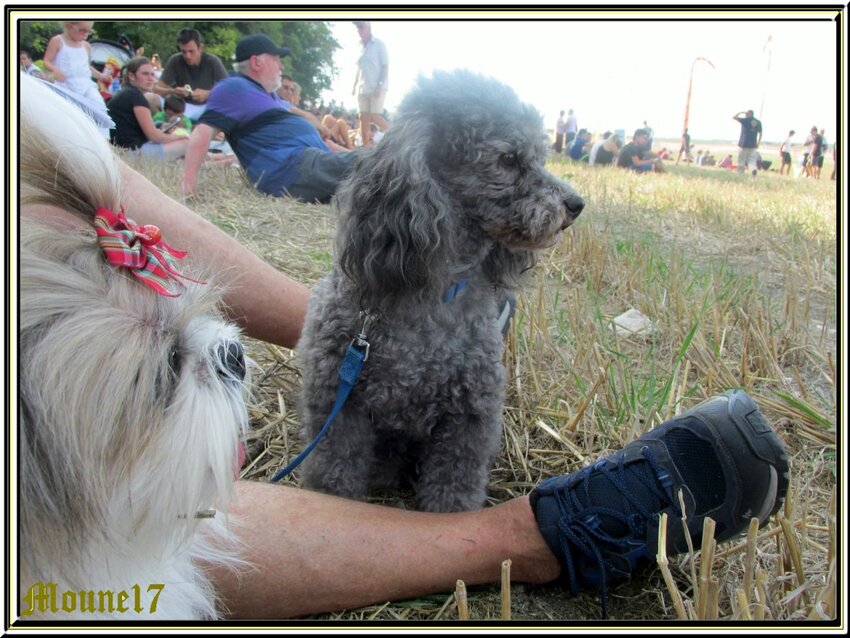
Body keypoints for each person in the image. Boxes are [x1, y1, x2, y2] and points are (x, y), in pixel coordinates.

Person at [21, 77, 790, 619]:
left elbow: (102, 198)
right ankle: (521, 537)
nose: (556, 192)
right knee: (335, 425)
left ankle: (355, 339)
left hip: (438, 326)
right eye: (513, 165)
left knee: (446, 393)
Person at [181, 34, 356, 203]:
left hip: (312, 164)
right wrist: (188, 187)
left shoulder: (270, 96)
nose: (282, 66)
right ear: (256, 62)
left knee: (373, 173)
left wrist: (315, 124)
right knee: (377, 163)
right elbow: (202, 132)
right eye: (276, 59)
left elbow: (302, 114)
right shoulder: (234, 88)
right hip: (293, 166)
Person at [105, 56, 189, 161]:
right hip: (131, 153)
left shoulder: (126, 93)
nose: (150, 78)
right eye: (145, 74)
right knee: (187, 143)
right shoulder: (136, 97)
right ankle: (210, 160)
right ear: (131, 76)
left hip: (120, 150)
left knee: (185, 154)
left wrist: (160, 125)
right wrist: (178, 137)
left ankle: (211, 159)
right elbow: (154, 136)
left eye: (152, 74)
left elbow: (133, 126)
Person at [41, 21, 110, 135]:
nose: (85, 34)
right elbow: (47, 61)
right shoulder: (58, 41)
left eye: (88, 32)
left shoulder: (86, 46)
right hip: (65, 85)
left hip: (86, 84)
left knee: (99, 107)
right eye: (82, 30)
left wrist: (101, 76)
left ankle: (103, 139)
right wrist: (55, 70)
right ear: (69, 26)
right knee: (67, 115)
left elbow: (86, 66)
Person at [154, 28, 228, 121]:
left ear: (200, 48)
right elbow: (156, 89)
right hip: (181, 108)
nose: (187, 56)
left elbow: (228, 90)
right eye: (184, 52)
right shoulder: (175, 60)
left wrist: (208, 94)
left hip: (206, 107)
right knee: (152, 98)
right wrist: (173, 91)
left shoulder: (212, 61)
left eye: (191, 51)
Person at [352, 21, 389, 147]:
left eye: (361, 26)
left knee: (375, 117)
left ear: (369, 27)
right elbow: (358, 69)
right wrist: (354, 86)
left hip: (376, 87)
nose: (359, 30)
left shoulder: (379, 44)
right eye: (357, 27)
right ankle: (365, 147)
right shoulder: (359, 47)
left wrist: (379, 85)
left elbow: (385, 67)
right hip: (362, 88)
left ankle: (396, 137)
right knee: (363, 117)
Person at [733, 109, 762, 176]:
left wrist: (740, 112)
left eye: (746, 113)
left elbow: (734, 117)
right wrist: (758, 143)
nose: (745, 115)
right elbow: (760, 133)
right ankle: (753, 170)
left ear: (749, 114)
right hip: (753, 144)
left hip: (744, 144)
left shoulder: (745, 120)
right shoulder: (758, 122)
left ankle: (740, 174)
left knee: (741, 160)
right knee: (752, 160)